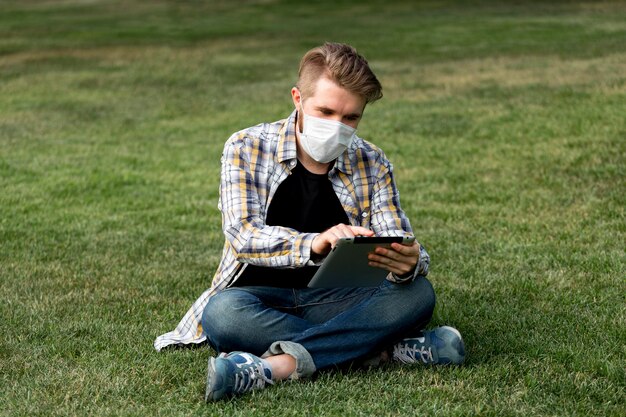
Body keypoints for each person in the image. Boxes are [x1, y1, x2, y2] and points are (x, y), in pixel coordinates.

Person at [154, 42, 465, 401]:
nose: (338, 127)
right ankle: (379, 348)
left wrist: (410, 261)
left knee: (417, 293)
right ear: (298, 98)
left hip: (337, 295)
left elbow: (396, 238)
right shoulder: (246, 146)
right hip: (258, 298)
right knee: (222, 315)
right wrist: (314, 243)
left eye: (351, 118)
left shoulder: (372, 161)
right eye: (326, 111)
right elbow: (244, 236)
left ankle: (273, 367)